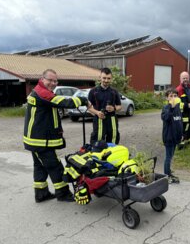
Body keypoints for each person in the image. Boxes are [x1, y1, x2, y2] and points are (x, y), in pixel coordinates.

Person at [23, 69, 88, 203]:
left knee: (39, 166)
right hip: (40, 141)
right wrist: (82, 100)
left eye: (55, 81)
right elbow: (62, 102)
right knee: (55, 166)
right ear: (42, 79)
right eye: (50, 80)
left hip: (35, 140)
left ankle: (41, 194)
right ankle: (63, 194)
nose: (53, 83)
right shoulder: (42, 93)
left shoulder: (40, 91)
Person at [87, 67, 122, 145]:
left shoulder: (114, 91)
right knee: (97, 141)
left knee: (113, 140)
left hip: (112, 120)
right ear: (100, 78)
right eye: (104, 78)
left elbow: (120, 106)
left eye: (108, 78)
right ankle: (98, 156)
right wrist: (97, 112)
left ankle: (112, 156)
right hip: (99, 119)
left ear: (111, 78)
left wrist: (114, 108)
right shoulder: (93, 91)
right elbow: (88, 107)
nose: (106, 80)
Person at [161, 88, 183, 184]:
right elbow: (165, 117)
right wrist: (171, 107)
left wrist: (181, 135)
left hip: (175, 137)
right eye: (171, 96)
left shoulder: (178, 109)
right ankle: (166, 176)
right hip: (168, 137)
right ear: (167, 98)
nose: (173, 98)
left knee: (171, 156)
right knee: (168, 157)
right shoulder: (166, 108)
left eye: (175, 96)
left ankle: (169, 172)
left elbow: (179, 122)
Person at [176, 71, 190, 149]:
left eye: (186, 78)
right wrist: (186, 105)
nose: (185, 79)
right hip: (183, 113)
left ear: (189, 78)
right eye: (183, 78)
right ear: (180, 79)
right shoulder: (178, 90)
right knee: (183, 128)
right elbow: (176, 103)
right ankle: (180, 144)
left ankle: (186, 139)